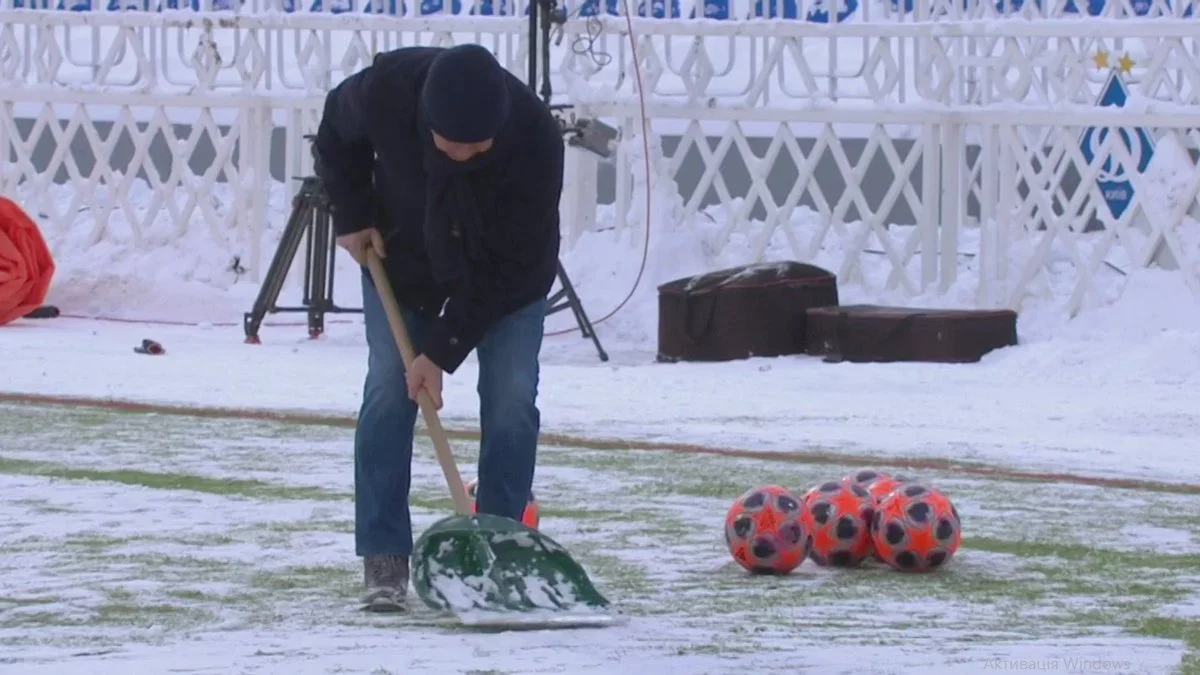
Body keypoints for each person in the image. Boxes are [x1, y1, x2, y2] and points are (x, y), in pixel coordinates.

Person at [312, 44, 564, 612]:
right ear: (428, 123)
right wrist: (352, 214)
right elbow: (334, 135)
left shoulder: (535, 139)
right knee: (386, 389)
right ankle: (384, 557)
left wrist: (440, 352)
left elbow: (506, 272)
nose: (469, 156)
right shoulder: (386, 91)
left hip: (505, 279)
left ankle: (501, 549)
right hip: (402, 263)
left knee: (511, 397)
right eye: (457, 147)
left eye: (481, 148)